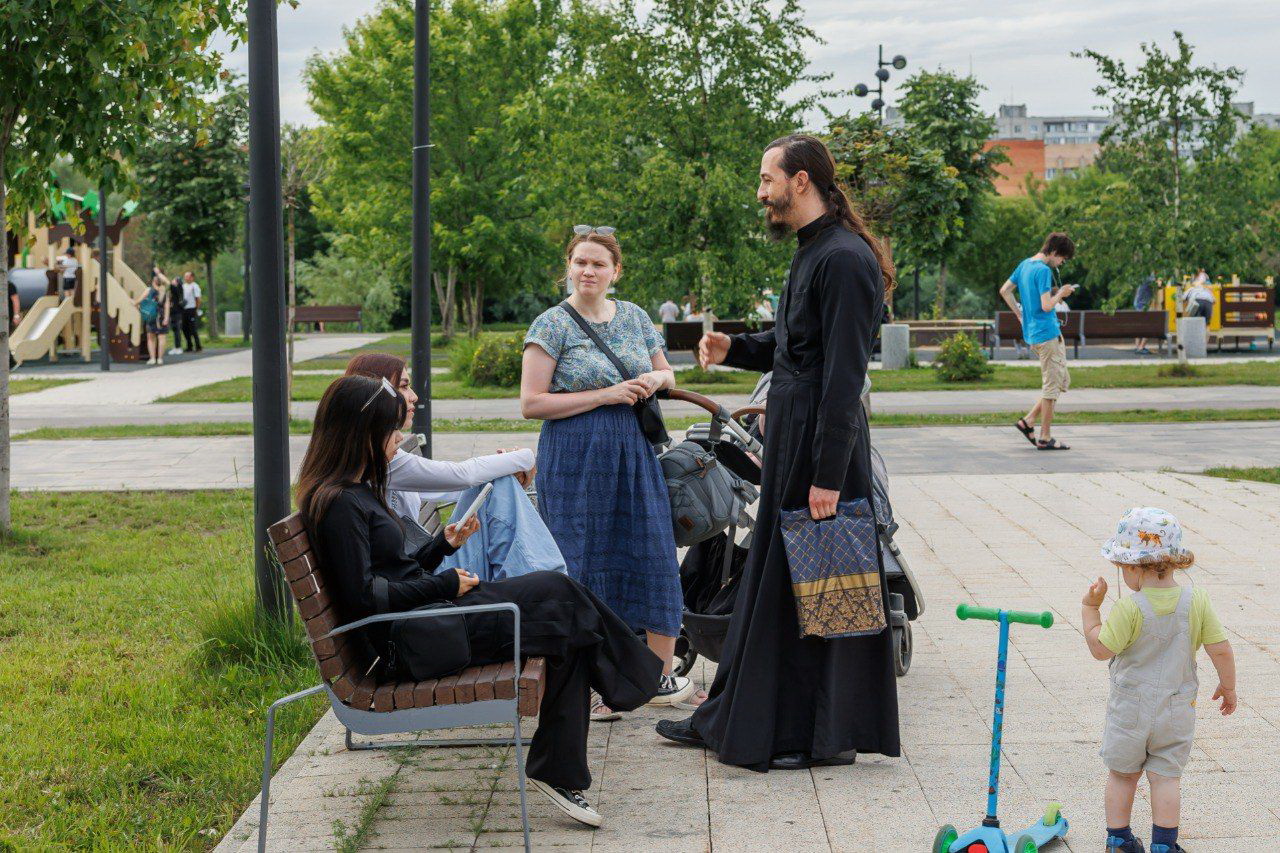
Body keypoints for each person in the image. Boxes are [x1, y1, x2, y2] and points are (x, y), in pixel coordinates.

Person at [298, 375, 662, 827]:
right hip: (418, 639)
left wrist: (444, 546)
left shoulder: (354, 490)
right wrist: (444, 584)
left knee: (564, 613)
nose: (396, 439)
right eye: (389, 431)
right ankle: (637, 684)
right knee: (563, 604)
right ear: (361, 434)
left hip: (429, 620)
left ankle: (603, 716)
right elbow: (365, 598)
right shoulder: (341, 503)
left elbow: (391, 572)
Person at [656, 134, 900, 771]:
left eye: (767, 179)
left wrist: (828, 477)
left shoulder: (844, 259)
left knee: (818, 592)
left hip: (821, 451)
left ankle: (816, 737)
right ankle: (743, 718)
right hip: (793, 440)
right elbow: (794, 349)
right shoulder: (815, 250)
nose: (760, 192)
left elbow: (844, 378)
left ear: (801, 181)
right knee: (780, 589)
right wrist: (732, 348)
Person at [522, 226, 698, 718]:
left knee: (652, 552)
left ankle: (657, 677)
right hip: (574, 458)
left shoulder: (636, 316)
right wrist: (606, 395)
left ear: (615, 271)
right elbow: (531, 403)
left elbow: (668, 373)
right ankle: (590, 684)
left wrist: (656, 377)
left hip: (633, 453)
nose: (588, 271)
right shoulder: (551, 325)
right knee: (581, 560)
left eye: (598, 263)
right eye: (580, 262)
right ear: (569, 267)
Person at [1081, 507, 1237, 853]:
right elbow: (1221, 649)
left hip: (1129, 710)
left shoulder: (1129, 608)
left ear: (1134, 567)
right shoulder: (1197, 600)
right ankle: (1164, 846)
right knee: (1166, 777)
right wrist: (1228, 686)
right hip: (1176, 708)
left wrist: (1090, 609)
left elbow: (1100, 649)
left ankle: (1118, 840)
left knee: (1123, 774)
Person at [344, 352, 567, 581]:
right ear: (378, 393)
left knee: (496, 483)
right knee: (496, 482)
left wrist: (507, 469)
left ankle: (540, 584)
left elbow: (458, 485)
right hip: (421, 576)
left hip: (423, 563)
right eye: (403, 386)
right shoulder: (382, 460)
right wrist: (525, 458)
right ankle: (546, 585)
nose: (414, 396)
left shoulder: (382, 454)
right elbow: (463, 475)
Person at [999, 233, 1077, 451]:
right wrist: (1061, 294)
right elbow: (1046, 305)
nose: (1061, 263)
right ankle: (1045, 437)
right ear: (1054, 252)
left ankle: (1028, 421)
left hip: (1033, 334)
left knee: (1061, 381)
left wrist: (1019, 314)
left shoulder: (1025, 265)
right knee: (1052, 387)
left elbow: (1005, 291)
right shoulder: (1043, 270)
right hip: (1047, 335)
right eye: (1062, 259)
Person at [134, 274, 172, 365]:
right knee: (161, 337)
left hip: (151, 316)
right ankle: (160, 359)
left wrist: (134, 303)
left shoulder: (149, 290)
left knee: (151, 338)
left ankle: (152, 358)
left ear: (153, 282)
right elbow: (167, 306)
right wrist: (166, 318)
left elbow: (138, 301)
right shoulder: (164, 292)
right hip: (162, 316)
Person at [1133, 272, 1157, 354]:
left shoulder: (1142, 277)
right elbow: (1159, 285)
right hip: (1143, 306)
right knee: (1149, 326)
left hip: (1137, 305)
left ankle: (1138, 347)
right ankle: (1141, 347)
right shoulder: (1150, 277)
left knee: (1139, 326)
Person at [180, 271, 203, 352]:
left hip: (192, 309)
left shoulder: (195, 286)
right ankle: (189, 345)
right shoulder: (183, 286)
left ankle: (198, 346)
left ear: (192, 277)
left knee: (193, 329)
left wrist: (197, 309)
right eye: (185, 276)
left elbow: (198, 299)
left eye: (187, 276)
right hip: (184, 309)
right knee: (184, 328)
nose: (185, 278)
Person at [167, 276, 185, 354]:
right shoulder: (177, 290)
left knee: (177, 330)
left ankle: (178, 347)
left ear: (177, 282)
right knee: (175, 330)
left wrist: (159, 273)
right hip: (174, 312)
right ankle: (176, 346)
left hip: (176, 313)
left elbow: (169, 284)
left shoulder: (177, 289)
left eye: (174, 280)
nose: (172, 280)